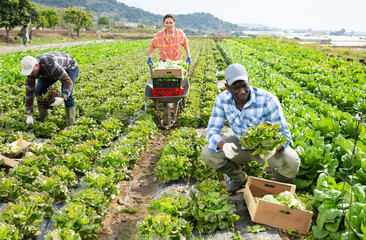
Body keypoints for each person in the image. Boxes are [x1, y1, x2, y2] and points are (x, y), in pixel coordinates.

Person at [202, 63, 300, 193]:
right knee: (208, 153)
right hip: (240, 147)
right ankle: (238, 177)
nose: (241, 91)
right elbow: (212, 130)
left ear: (248, 80)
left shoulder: (267, 99)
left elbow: (285, 134)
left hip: (265, 149)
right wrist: (223, 146)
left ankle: (279, 188)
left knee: (292, 160)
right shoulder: (222, 100)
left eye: (244, 85)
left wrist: (273, 149)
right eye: (236, 88)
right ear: (227, 87)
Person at [20, 52, 79, 127]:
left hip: (70, 67)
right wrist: (29, 114)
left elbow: (67, 81)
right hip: (49, 73)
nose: (30, 74)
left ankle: (70, 123)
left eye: (31, 72)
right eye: (28, 73)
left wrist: (63, 98)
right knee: (39, 91)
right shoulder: (30, 73)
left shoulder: (50, 63)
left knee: (68, 94)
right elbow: (29, 92)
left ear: (36, 65)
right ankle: (45, 119)